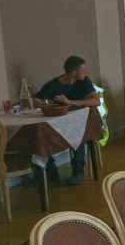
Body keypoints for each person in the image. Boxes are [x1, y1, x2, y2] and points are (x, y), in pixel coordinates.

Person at [36, 56, 100, 185]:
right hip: (59, 123)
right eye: (83, 69)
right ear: (74, 73)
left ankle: (78, 171)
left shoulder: (84, 81)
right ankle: (51, 170)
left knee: (77, 132)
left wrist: (70, 102)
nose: (86, 72)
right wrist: (47, 102)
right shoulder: (53, 85)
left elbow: (96, 101)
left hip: (83, 122)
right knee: (40, 134)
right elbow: (35, 100)